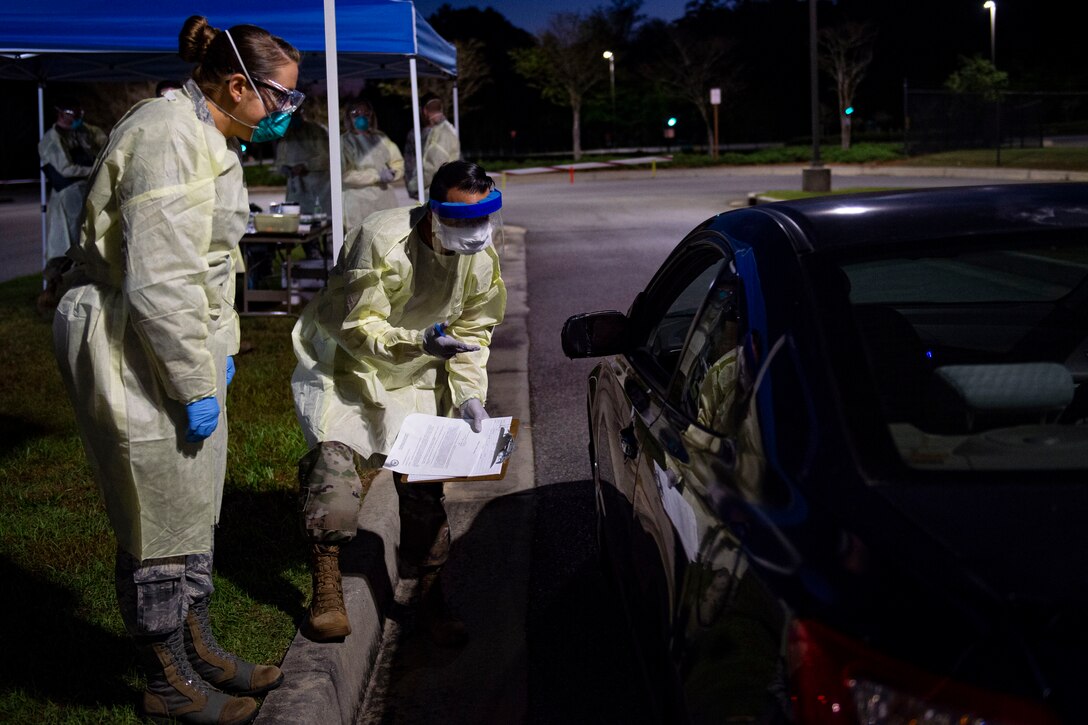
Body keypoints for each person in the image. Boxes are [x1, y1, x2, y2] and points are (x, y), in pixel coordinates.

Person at [52, 15, 301, 724]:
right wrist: (194, 381)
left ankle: (197, 646)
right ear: (237, 86)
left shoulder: (208, 136)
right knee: (156, 507)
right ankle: (165, 680)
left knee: (191, 500)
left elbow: (209, 267)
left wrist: (219, 352)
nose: (288, 111)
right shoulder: (168, 135)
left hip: (173, 338)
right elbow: (160, 281)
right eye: (282, 97)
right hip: (135, 340)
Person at [291, 160, 506, 645]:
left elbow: (474, 332)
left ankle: (429, 597)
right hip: (347, 365)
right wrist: (419, 343)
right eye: (463, 219)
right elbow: (358, 327)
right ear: (433, 212)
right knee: (332, 468)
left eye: (483, 217)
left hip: (417, 373)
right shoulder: (380, 239)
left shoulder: (480, 256)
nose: (476, 230)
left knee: (424, 485)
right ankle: (327, 587)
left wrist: (470, 396)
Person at [37, 98, 106, 313]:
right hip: (67, 199)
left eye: (79, 114)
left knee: (88, 242)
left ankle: (84, 292)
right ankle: (52, 292)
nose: (77, 119)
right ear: (62, 114)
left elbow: (103, 143)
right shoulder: (52, 140)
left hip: (87, 194)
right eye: (73, 115)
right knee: (63, 246)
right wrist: (94, 168)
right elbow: (65, 169)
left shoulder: (84, 132)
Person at [342, 98, 405, 229]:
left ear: (372, 116)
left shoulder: (381, 138)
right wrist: (377, 176)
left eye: (366, 113)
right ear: (348, 117)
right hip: (358, 205)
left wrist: (393, 173)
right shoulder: (344, 142)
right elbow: (344, 175)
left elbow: (397, 162)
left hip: (384, 201)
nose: (362, 118)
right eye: (356, 114)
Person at [274, 98, 331, 216]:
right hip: (295, 192)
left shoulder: (316, 131)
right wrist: (284, 168)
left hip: (317, 191)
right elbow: (280, 161)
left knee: (317, 220)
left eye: (296, 111)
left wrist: (305, 166)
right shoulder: (286, 135)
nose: (293, 115)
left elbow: (326, 157)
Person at [404, 92, 461, 200]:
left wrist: (413, 186)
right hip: (438, 190)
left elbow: (433, 166)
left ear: (424, 111)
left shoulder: (442, 132)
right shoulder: (447, 130)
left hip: (436, 192)